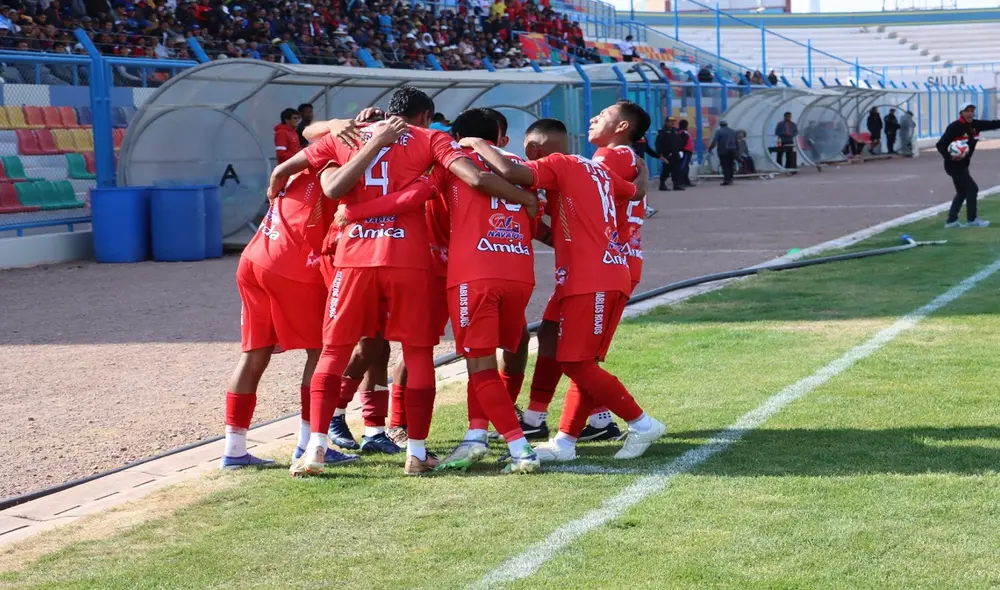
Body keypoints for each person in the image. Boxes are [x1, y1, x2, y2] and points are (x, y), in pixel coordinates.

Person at [291, 87, 538, 477]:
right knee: (419, 353)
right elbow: (465, 176)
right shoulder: (431, 140)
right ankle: (416, 453)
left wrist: (342, 195)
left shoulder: (347, 134)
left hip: (353, 257)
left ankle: (316, 448)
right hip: (410, 259)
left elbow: (312, 165)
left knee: (337, 351)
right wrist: (522, 198)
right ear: (425, 116)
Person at [462, 118, 666, 462]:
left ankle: (642, 423)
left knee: (576, 362)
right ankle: (566, 442)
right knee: (571, 352)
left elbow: (510, 172)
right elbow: (637, 192)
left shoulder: (558, 164)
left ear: (534, 150)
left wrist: (478, 144)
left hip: (593, 278)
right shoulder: (595, 169)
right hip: (599, 273)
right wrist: (643, 171)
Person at [218, 126, 413, 471]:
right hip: (293, 264)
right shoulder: (342, 166)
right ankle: (309, 444)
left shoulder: (306, 159)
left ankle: (234, 451)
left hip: (255, 256)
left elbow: (302, 144)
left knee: (254, 353)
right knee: (323, 353)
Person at [935, 102, 1000, 228]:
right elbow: (940, 145)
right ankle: (972, 219)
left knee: (962, 192)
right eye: (967, 111)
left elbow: (993, 124)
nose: (970, 113)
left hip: (964, 165)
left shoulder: (976, 125)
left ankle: (951, 221)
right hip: (953, 165)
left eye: (972, 111)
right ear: (961, 113)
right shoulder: (954, 127)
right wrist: (950, 157)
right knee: (972, 189)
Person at [709, 120, 738, 186]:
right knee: (731, 165)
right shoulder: (733, 131)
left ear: (720, 125)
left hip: (723, 151)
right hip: (732, 150)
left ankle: (726, 180)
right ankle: (730, 179)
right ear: (727, 124)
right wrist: (737, 151)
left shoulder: (719, 131)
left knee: (725, 165)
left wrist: (710, 149)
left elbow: (715, 142)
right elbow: (736, 142)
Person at [677, 119, 694, 187]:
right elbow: (683, 143)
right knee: (683, 166)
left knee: (685, 166)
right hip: (686, 151)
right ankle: (682, 181)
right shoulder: (683, 133)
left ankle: (685, 181)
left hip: (687, 151)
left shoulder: (682, 132)